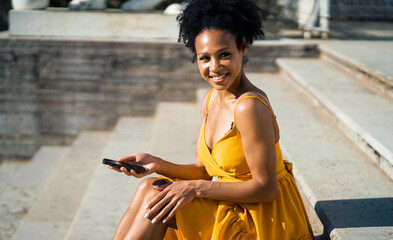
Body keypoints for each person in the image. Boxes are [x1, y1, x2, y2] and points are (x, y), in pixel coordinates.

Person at [108, 0, 314, 239]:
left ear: (243, 47)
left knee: (157, 197)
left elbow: (266, 189)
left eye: (224, 55)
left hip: (263, 217)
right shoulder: (210, 99)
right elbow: (203, 171)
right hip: (233, 203)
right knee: (149, 186)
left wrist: (195, 189)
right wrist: (157, 164)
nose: (214, 67)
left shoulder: (249, 107)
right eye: (205, 58)